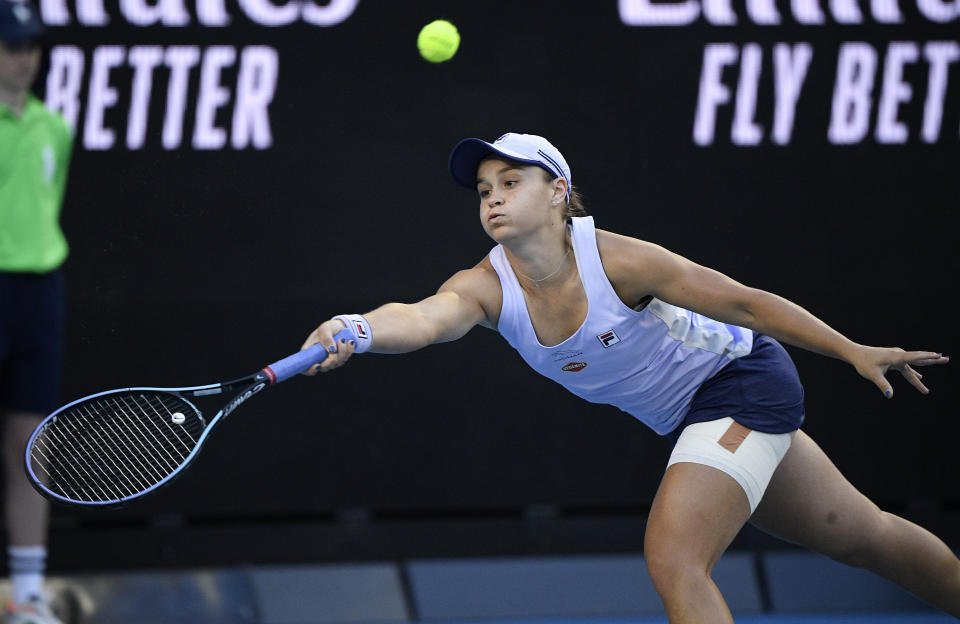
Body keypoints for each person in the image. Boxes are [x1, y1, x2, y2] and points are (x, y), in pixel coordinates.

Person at [299, 132, 959, 622]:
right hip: (694, 418)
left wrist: (851, 350)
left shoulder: (620, 261)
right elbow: (420, 318)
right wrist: (357, 327)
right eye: (483, 191)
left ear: (558, 190)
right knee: (860, 535)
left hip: (741, 384)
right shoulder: (484, 288)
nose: (494, 199)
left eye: (510, 182)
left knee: (674, 558)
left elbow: (746, 303)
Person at [0, 0, 73, 622]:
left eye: (31, 46)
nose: (24, 58)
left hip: (38, 294)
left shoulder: (55, 126)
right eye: (12, 45)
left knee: (31, 441)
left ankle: (26, 596)